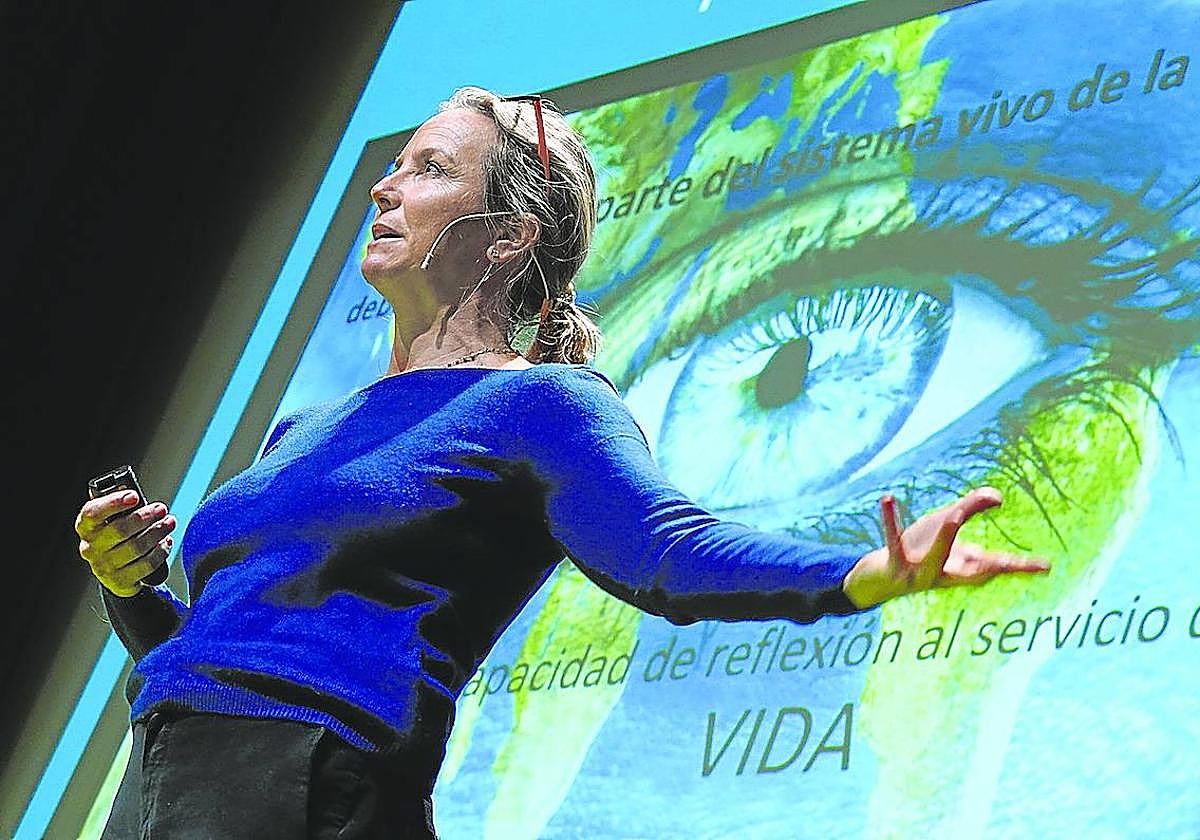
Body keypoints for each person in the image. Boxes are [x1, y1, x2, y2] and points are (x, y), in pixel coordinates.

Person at [76, 87, 1049, 839]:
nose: (384, 185)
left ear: (507, 236)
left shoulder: (538, 405)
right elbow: (204, 649)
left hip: (306, 781)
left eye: (427, 169)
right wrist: (130, 587)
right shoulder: (301, 429)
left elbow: (668, 556)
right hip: (159, 773)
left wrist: (853, 575)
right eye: (396, 164)